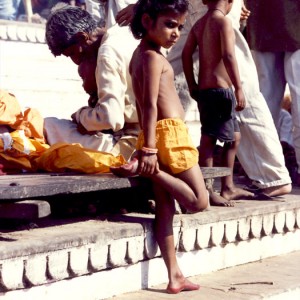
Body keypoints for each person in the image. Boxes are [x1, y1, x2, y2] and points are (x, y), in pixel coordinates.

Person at [112, 0, 209, 293]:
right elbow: (151, 104)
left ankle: (174, 275)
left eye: (179, 26)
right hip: (168, 137)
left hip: (154, 136)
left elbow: (144, 107)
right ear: (146, 21)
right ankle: (148, 171)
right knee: (198, 202)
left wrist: (146, 143)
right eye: (169, 25)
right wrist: (151, 153)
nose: (176, 33)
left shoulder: (138, 56)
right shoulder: (153, 58)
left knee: (165, 209)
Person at [44, 5, 139, 161]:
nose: (76, 61)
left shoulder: (106, 53)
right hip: (154, 136)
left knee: (49, 125)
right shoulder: (122, 32)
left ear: (83, 37)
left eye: (72, 53)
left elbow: (110, 118)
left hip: (131, 147)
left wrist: (81, 116)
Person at [182, 0, 254, 203]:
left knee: (233, 137)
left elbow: (186, 54)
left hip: (206, 91)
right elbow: (229, 55)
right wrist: (239, 87)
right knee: (210, 139)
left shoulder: (199, 23)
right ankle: (210, 188)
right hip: (221, 91)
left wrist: (192, 84)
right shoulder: (223, 22)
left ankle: (226, 185)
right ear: (230, 2)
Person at [245, 0, 300, 186]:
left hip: (262, 17)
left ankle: (265, 170)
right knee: (275, 100)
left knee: (265, 99)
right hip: (269, 17)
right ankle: (266, 169)